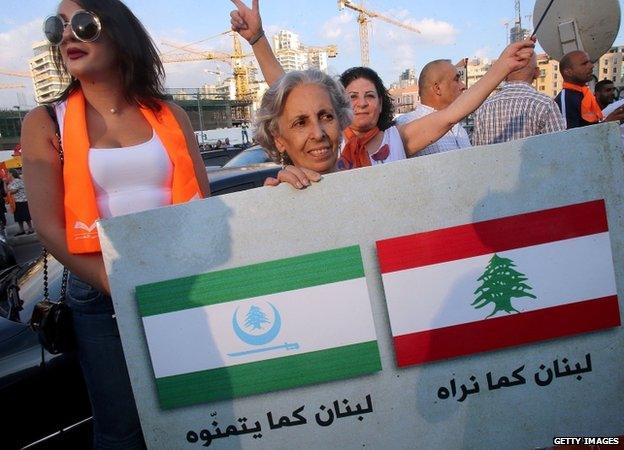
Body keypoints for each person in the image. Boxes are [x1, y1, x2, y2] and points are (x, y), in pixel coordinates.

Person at [21, 1, 210, 448]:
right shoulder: (45, 121)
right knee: (123, 431)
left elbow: (203, 204)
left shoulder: (170, 115)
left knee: (200, 414)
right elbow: (48, 227)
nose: (68, 36)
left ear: (119, 31)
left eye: (82, 24)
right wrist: (117, 283)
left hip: (181, 284)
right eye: (58, 28)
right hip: (100, 292)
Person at [230, 0, 536, 186]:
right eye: (352, 97)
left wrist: (501, 67)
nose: (362, 103)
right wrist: (257, 40)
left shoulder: (397, 139)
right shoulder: (329, 151)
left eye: (371, 95)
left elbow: (452, 113)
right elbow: (289, 94)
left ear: (381, 103)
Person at [472, 53, 565, 146]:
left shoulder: (483, 108)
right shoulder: (545, 104)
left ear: (504, 75)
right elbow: (560, 148)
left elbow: (477, 153)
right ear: (537, 73)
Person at [395, 59, 471, 156]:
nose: (463, 86)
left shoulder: (459, 128)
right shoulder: (406, 124)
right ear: (437, 88)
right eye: (456, 80)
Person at [555, 50, 624, 128]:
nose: (591, 66)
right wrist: (607, 125)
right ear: (568, 72)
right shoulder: (566, 99)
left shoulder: (585, 94)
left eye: (590, 62)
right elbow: (569, 136)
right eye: (584, 64)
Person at [7, 169, 34, 236]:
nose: (7, 175)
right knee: (19, 217)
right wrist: (5, 183)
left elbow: (13, 191)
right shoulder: (12, 182)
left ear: (11, 174)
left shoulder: (17, 181)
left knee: (25, 216)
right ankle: (21, 230)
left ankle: (30, 228)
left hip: (22, 201)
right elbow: (6, 191)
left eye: (8, 173)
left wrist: (9, 191)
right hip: (16, 202)